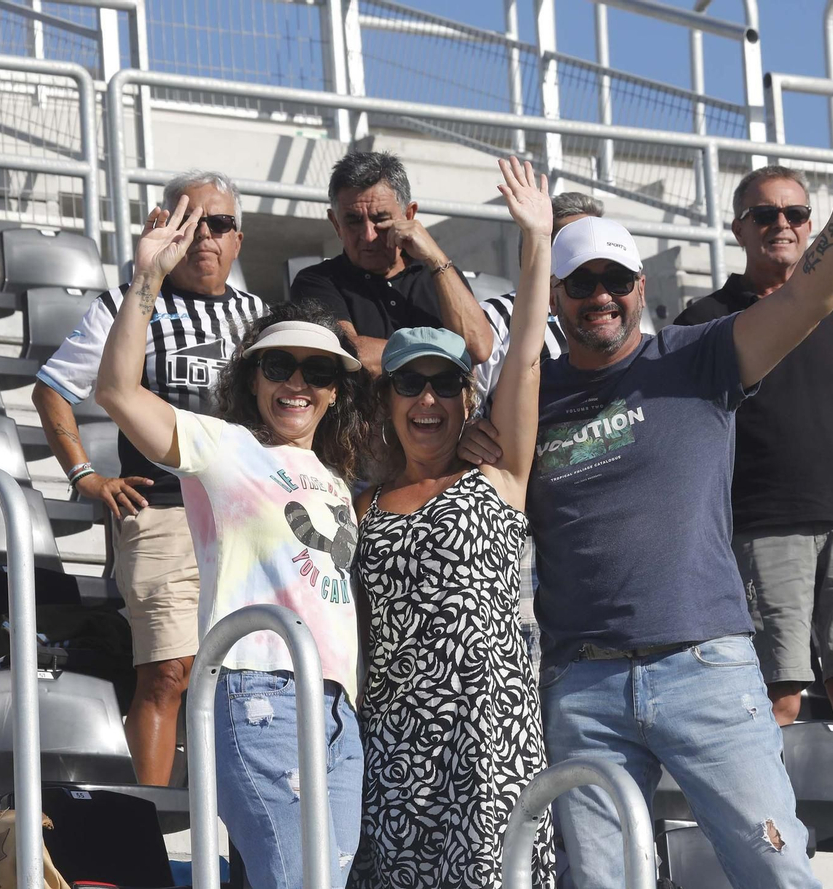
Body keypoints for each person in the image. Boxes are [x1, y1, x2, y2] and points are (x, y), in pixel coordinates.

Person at [460, 120, 833, 889]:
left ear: (641, 287)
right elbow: (513, 369)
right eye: (582, 283)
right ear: (556, 295)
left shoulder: (699, 355)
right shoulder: (531, 394)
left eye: (617, 280)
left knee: (776, 869)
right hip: (583, 681)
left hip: (706, 664)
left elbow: (812, 293)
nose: (602, 297)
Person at [96, 193, 373, 889]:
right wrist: (146, 282)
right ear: (252, 377)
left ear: (337, 390)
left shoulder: (338, 477)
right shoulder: (225, 447)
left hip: (338, 706)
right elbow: (117, 392)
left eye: (317, 372)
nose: (297, 383)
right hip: (259, 691)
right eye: (279, 366)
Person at [350, 158, 555, 889]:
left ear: (466, 399)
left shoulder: (498, 475)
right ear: (389, 400)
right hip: (395, 740)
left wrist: (536, 241)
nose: (427, 399)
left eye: (444, 383)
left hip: (488, 734)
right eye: (409, 383)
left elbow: (524, 356)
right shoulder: (364, 504)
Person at [31, 170, 268, 788]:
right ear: (164, 227)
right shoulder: (124, 304)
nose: (206, 238)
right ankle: (150, 818)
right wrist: (85, 476)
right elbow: (53, 389)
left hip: (244, 517)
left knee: (250, 676)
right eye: (192, 223)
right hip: (161, 510)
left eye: (220, 224)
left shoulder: (260, 318)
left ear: (239, 240)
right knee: (167, 671)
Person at [673, 165, 833, 729]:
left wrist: (827, 482)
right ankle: (773, 820)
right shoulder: (702, 321)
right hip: (762, 527)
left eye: (795, 214)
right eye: (765, 214)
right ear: (737, 228)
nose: (782, 224)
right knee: (778, 700)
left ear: (810, 224)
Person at [290, 150, 493, 376]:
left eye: (381, 219)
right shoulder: (317, 281)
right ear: (336, 224)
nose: (368, 235)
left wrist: (436, 257)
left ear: (409, 215)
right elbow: (348, 356)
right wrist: (447, 352)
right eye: (353, 221)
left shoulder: (441, 274)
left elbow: (478, 348)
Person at [471, 191, 601, 408]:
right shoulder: (495, 316)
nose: (593, 253)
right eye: (577, 244)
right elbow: (469, 406)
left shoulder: (612, 313)